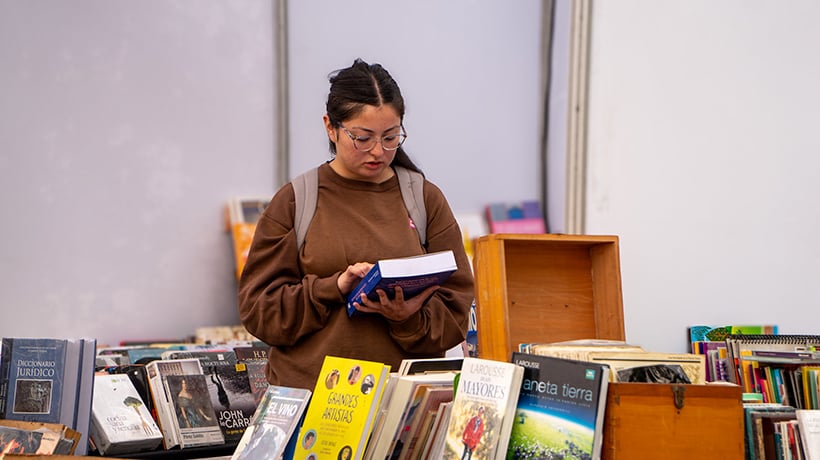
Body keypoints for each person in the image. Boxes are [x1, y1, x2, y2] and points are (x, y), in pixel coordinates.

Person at [238, 58, 474, 391]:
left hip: (401, 402)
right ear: (330, 127)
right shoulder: (296, 201)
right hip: (311, 403)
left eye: (391, 137)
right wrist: (333, 288)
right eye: (362, 138)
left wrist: (406, 317)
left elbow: (456, 311)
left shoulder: (423, 199)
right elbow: (259, 311)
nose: (378, 151)